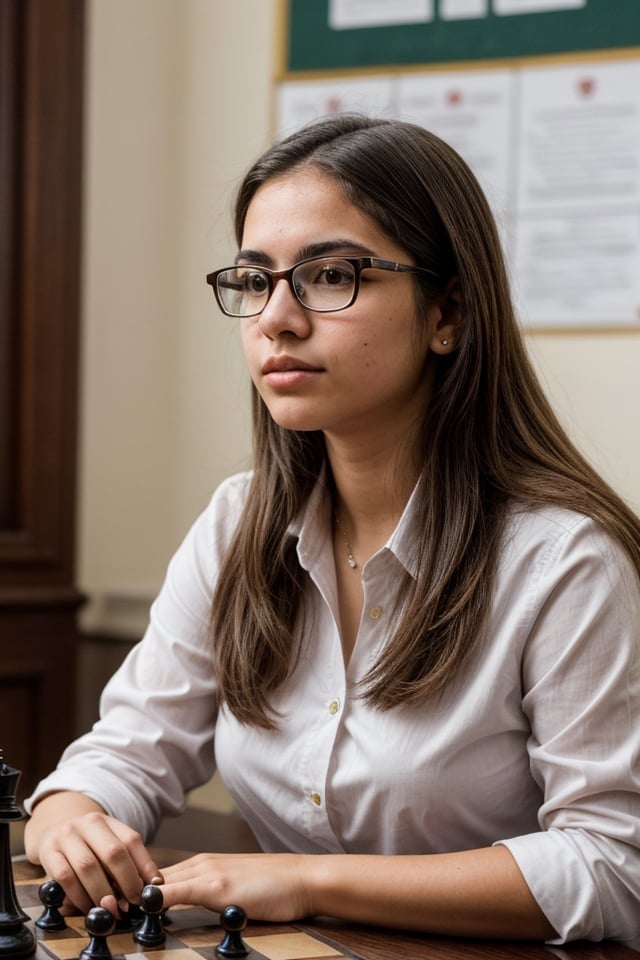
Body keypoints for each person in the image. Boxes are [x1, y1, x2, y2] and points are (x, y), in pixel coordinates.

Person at [24, 114, 640, 949]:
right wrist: (69, 814)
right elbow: (128, 754)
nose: (275, 318)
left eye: (329, 275)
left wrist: (305, 878)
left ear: (447, 313)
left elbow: (612, 865)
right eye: (254, 280)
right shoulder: (240, 523)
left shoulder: (565, 560)